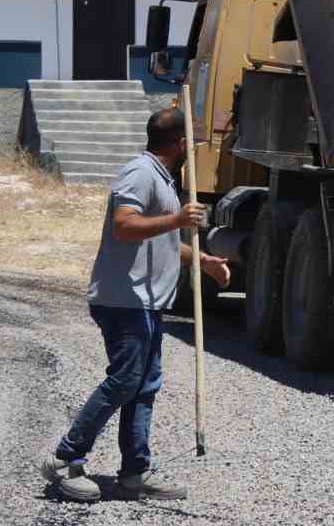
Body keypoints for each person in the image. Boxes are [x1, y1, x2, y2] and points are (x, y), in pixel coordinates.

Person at [37, 107, 231, 502]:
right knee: (125, 381)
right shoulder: (140, 173)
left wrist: (204, 261)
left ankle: (133, 472)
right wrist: (177, 219)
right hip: (125, 300)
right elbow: (126, 226)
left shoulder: (160, 179)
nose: (193, 149)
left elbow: (158, 238)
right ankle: (64, 459)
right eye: (190, 142)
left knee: (143, 387)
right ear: (179, 143)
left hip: (145, 302)